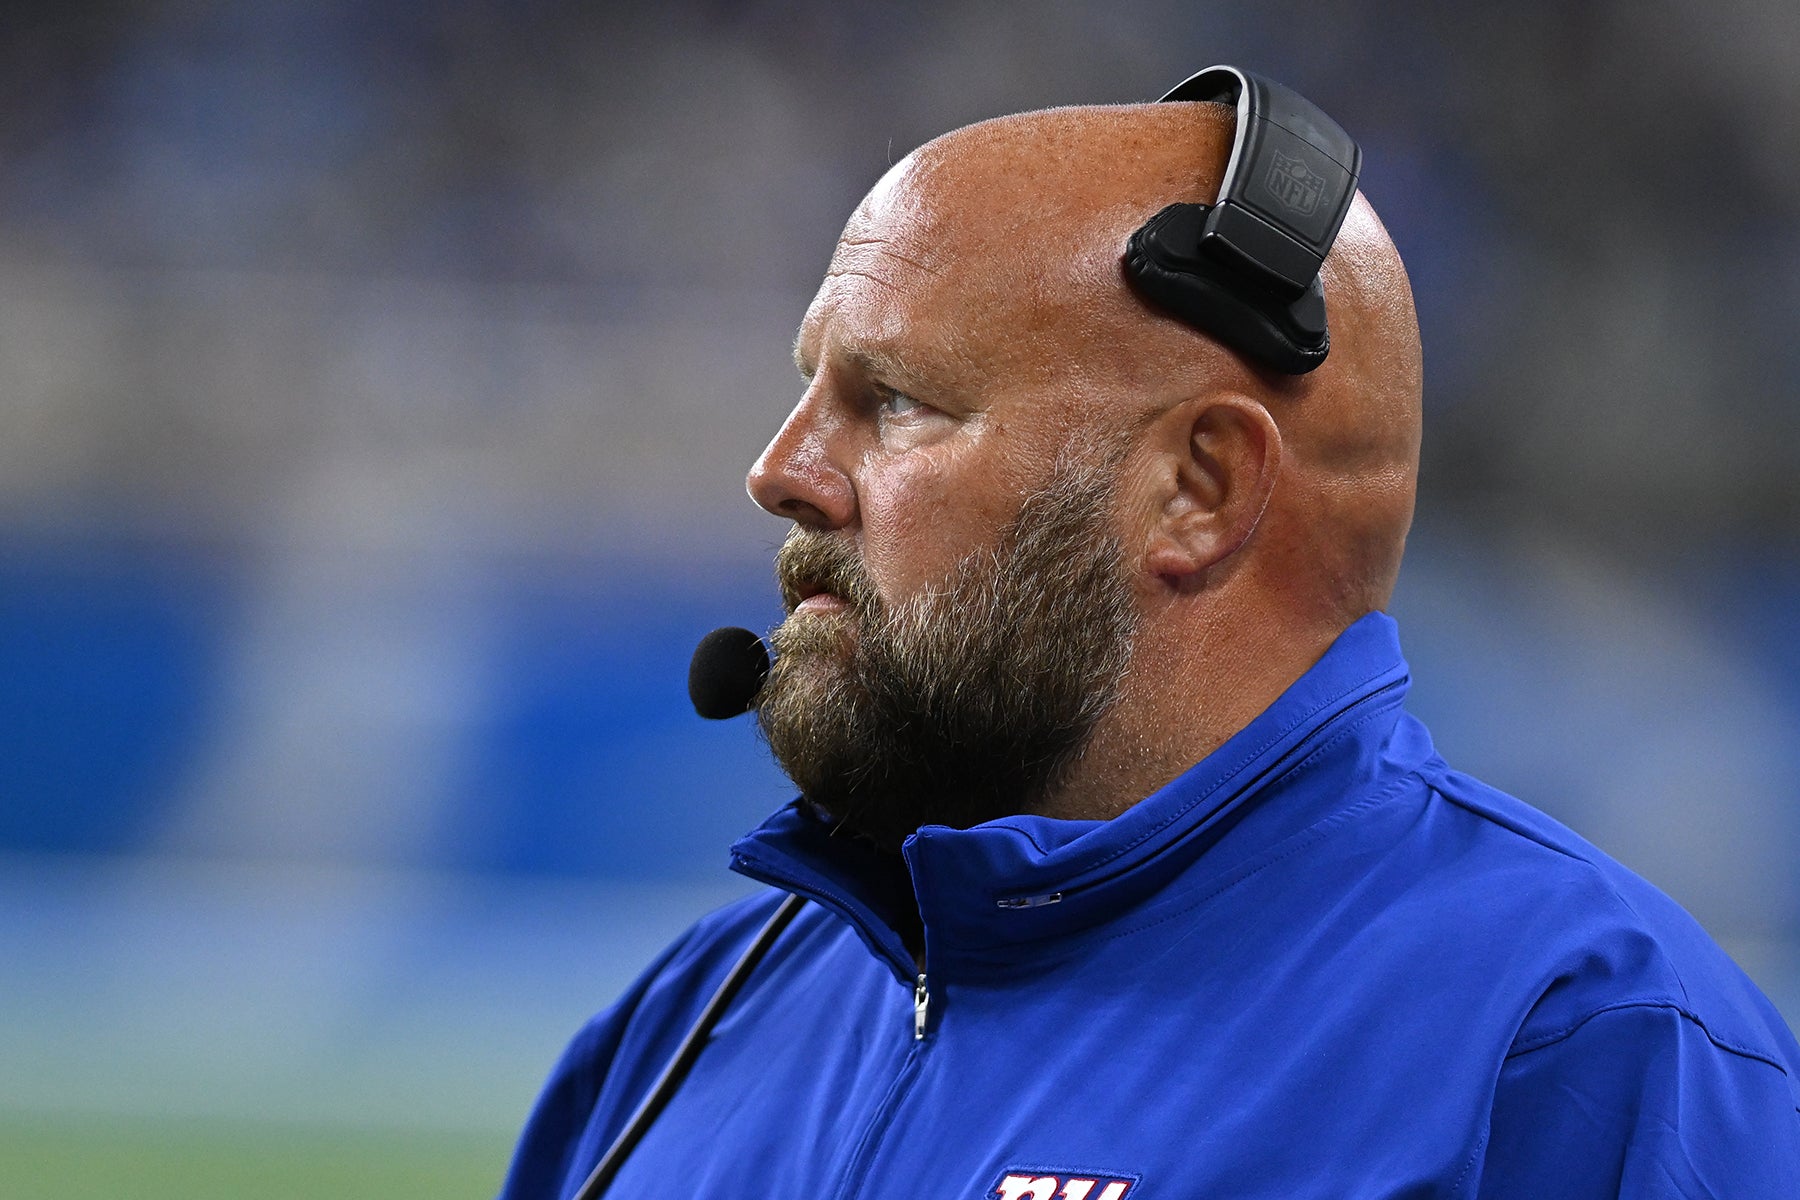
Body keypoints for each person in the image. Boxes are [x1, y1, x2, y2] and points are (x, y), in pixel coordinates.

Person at [499, 82, 1800, 1200]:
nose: (780, 473)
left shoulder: (1582, 1051)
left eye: (893, 402)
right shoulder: (695, 1022)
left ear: (1201, 489)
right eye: (809, 392)